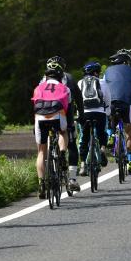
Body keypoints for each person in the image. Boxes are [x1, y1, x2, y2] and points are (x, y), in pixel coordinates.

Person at [41, 56, 84, 189]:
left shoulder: (42, 81)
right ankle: (72, 179)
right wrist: (81, 115)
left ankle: (45, 178)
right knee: (71, 145)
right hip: (64, 116)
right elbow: (78, 99)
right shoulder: (69, 79)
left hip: (42, 116)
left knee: (43, 149)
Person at [32, 62, 71, 199]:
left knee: (42, 151)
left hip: (40, 118)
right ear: (60, 76)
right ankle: (61, 152)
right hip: (57, 115)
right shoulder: (64, 88)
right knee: (63, 132)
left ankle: (41, 183)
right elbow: (68, 108)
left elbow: (35, 105)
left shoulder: (38, 87)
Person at [103, 51, 131, 174]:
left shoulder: (107, 72)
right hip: (126, 103)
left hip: (111, 103)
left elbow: (104, 88)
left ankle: (110, 135)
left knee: (111, 118)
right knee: (129, 132)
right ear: (127, 62)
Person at [77, 61, 112, 180]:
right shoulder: (102, 82)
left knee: (83, 138)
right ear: (97, 72)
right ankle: (102, 148)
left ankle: (82, 165)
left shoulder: (80, 82)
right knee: (102, 133)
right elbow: (107, 100)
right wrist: (107, 113)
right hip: (99, 113)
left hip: (85, 114)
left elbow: (77, 100)